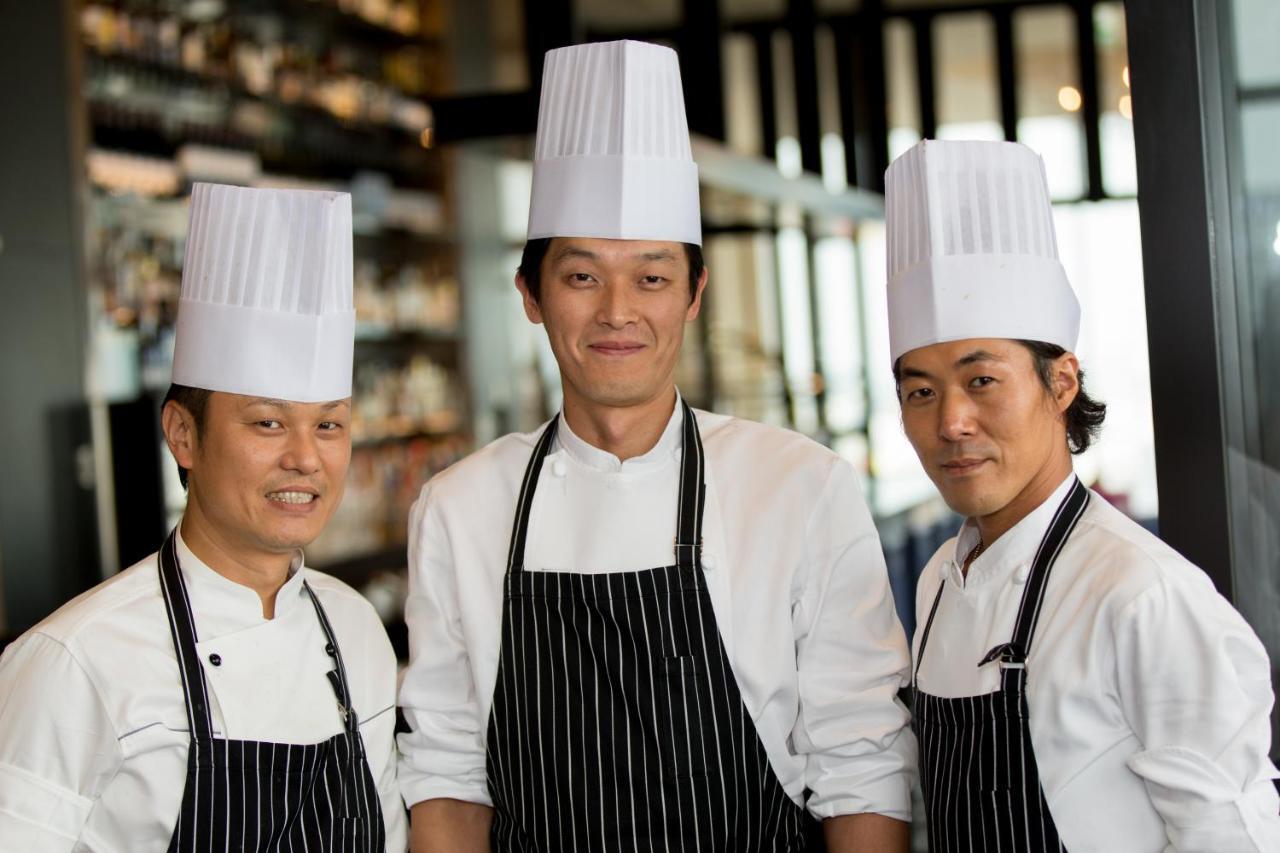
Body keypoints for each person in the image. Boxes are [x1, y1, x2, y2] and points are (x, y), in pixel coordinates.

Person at [398, 40, 914, 852]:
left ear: (694, 293)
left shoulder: (800, 485)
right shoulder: (460, 507)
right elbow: (448, 774)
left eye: (651, 276)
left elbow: (863, 760)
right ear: (530, 294)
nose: (616, 312)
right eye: (581, 277)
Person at [886, 139, 1280, 851]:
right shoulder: (939, 581)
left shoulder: (1142, 593)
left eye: (982, 381)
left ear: (1061, 382)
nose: (951, 422)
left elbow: (1228, 835)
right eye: (920, 390)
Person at [0, 183, 407, 850]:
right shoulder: (72, 662)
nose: (305, 458)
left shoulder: (356, 630)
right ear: (183, 434)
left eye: (329, 423)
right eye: (268, 422)